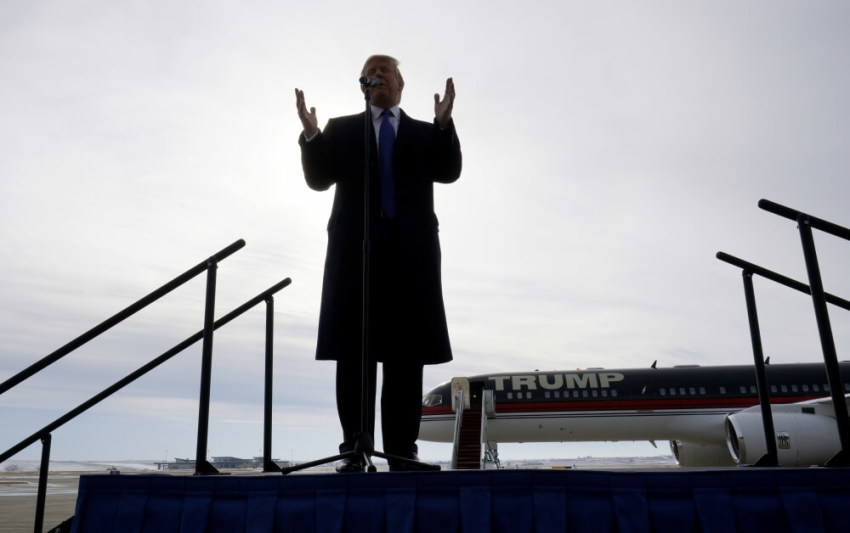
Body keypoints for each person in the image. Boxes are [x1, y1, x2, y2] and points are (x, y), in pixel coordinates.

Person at [295, 54, 462, 472]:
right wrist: (313, 137)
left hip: (411, 260)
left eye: (386, 69)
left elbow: (449, 171)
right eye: (373, 69)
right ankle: (355, 449)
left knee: (406, 359)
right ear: (364, 83)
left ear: (400, 84)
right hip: (356, 257)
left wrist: (444, 127)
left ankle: (402, 451)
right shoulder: (342, 129)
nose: (379, 74)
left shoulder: (425, 133)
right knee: (354, 355)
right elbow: (318, 180)